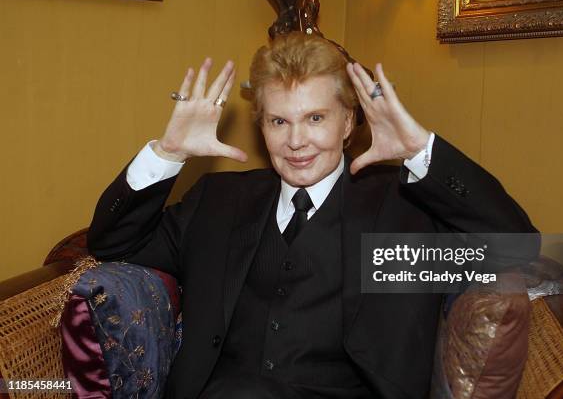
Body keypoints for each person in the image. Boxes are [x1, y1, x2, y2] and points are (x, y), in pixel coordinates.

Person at [87, 32, 538, 398]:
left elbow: (519, 243)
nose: (296, 141)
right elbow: (113, 243)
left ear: (348, 123)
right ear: (261, 125)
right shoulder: (219, 200)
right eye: (279, 121)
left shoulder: (403, 207)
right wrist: (169, 153)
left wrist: (421, 151)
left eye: (316, 118)